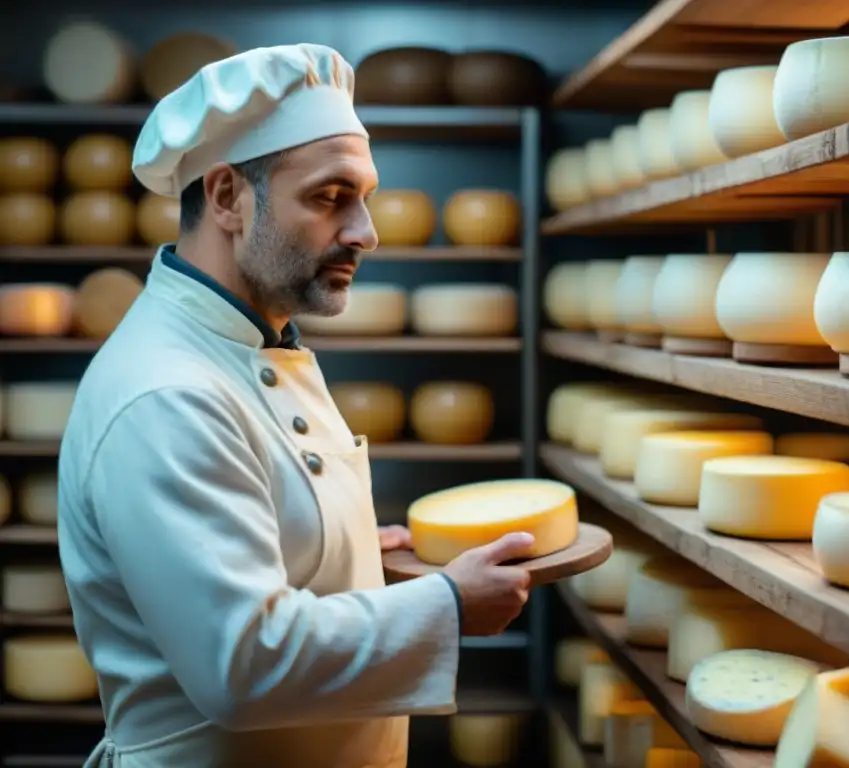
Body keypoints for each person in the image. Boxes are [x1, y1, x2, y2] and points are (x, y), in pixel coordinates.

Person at [57, 43, 533, 768]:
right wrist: (448, 604)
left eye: (365, 196)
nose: (365, 233)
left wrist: (339, 562)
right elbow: (242, 665)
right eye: (329, 196)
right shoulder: (167, 392)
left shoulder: (250, 344)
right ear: (226, 198)